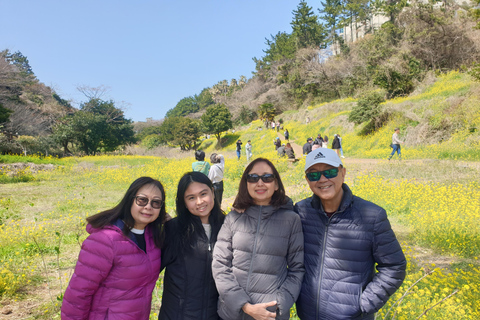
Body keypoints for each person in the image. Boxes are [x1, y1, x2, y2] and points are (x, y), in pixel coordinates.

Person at [294, 148, 406, 319]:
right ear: (307, 180)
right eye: (314, 175)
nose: (323, 179)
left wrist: (365, 303)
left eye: (330, 172)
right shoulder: (301, 211)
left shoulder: (372, 215)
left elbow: (394, 266)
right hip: (307, 314)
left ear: (343, 172)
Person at [61, 177, 166, 319]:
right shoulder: (105, 240)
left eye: (156, 203)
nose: (148, 206)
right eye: (142, 200)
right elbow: (79, 293)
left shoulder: (153, 238)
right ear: (130, 200)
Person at [212, 158, 304, 320]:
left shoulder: (291, 220)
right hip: (231, 313)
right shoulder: (233, 218)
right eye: (253, 178)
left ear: (276, 184)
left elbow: (297, 269)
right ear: (245, 183)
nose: (260, 183)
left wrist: (279, 304)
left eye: (267, 178)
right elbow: (220, 265)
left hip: (271, 314)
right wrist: (244, 305)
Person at [159, 172, 225, 320]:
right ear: (184, 202)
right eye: (191, 198)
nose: (199, 202)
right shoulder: (173, 229)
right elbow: (147, 267)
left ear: (212, 192)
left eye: (203, 194)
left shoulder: (228, 226)